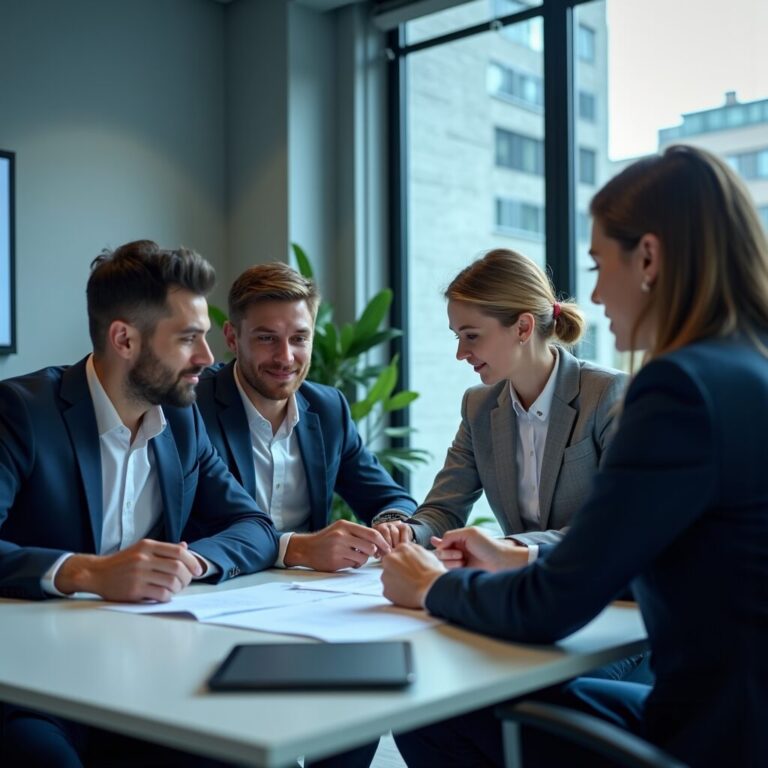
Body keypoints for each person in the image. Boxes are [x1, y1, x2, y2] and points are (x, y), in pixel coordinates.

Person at [381, 144, 768, 768]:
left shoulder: (675, 390)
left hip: (708, 737)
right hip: (739, 717)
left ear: (648, 257)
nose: (591, 292)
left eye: (597, 263)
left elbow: (550, 606)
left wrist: (433, 587)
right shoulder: (748, 368)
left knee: (437, 710)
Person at [0, 240, 279, 766]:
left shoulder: (180, 420)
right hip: (37, 684)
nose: (207, 358)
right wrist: (87, 573)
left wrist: (190, 561)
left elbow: (253, 525)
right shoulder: (20, 413)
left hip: (153, 674)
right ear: (124, 338)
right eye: (188, 339)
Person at [381, 249, 626, 561]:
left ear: (523, 328)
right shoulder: (478, 405)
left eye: (471, 336)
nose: (460, 353)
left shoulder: (607, 393)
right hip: (516, 588)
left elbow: (610, 523)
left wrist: (510, 549)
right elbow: (443, 509)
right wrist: (410, 532)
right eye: (457, 337)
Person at [196, 262, 417, 575]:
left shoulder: (328, 408)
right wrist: (297, 548)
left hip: (306, 591)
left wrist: (391, 525)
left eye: (299, 338)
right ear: (232, 338)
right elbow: (198, 529)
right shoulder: (193, 406)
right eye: (266, 338)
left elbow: (390, 497)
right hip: (220, 587)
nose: (285, 357)